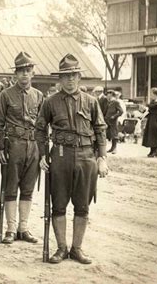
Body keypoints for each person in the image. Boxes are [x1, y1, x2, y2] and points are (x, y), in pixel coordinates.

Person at [36, 53, 108, 265]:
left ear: (79, 77)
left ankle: (77, 248)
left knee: (82, 205)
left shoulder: (91, 102)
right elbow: (40, 129)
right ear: (60, 78)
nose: (70, 79)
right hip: (60, 155)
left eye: (74, 75)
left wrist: (102, 158)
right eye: (66, 76)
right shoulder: (50, 102)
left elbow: (101, 129)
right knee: (58, 204)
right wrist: (42, 154)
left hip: (87, 156)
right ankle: (61, 248)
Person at [0, 52, 43, 244]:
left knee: (27, 188)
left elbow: (42, 127)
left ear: (32, 73)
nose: (24, 74)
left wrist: (42, 153)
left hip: (32, 146)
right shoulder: (5, 95)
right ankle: (10, 229)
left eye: (28, 70)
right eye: (21, 71)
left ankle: (23, 228)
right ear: (15, 74)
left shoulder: (39, 96)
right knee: (10, 188)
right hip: (13, 145)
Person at [142, 87, 157, 157]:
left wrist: (147, 106)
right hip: (151, 119)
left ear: (155, 94)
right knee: (150, 134)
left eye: (151, 94)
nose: (150, 95)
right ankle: (151, 150)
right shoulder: (153, 102)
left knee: (154, 134)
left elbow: (153, 107)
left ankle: (155, 151)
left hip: (155, 119)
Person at [105, 90, 123, 154]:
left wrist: (114, 116)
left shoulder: (116, 102)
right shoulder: (108, 102)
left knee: (114, 134)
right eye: (107, 94)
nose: (107, 95)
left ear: (111, 95)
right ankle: (112, 148)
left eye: (108, 94)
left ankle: (115, 148)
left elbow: (121, 111)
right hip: (107, 120)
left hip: (113, 121)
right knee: (110, 134)